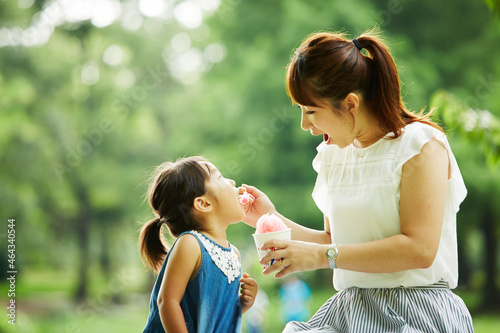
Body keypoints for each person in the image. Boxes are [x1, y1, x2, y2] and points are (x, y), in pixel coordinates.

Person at [241, 29, 473, 332]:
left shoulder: (421, 145)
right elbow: (333, 241)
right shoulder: (331, 154)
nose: (304, 125)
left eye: (311, 111)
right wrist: (269, 218)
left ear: (350, 104)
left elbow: (419, 249)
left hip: (415, 311)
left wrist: (320, 257)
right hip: (349, 310)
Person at [139, 156, 258, 333]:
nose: (232, 181)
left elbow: (212, 316)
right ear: (203, 203)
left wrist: (242, 304)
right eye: (220, 177)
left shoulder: (233, 254)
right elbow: (167, 301)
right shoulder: (191, 244)